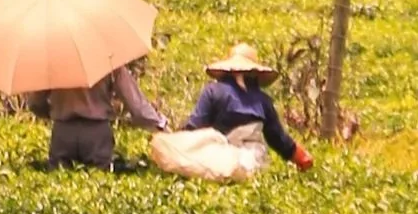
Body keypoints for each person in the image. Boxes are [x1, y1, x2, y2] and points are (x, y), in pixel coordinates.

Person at [184, 43, 312, 171]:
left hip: (217, 162)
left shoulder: (213, 92)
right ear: (254, 73)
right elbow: (278, 139)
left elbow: (194, 127)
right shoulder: (263, 101)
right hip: (252, 163)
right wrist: (302, 157)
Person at [37, 59, 167, 170]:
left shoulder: (53, 63)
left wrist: (52, 112)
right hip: (96, 134)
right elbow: (136, 105)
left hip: (63, 132)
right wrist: (159, 124)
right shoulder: (108, 60)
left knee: (60, 185)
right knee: (99, 184)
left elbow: (35, 102)